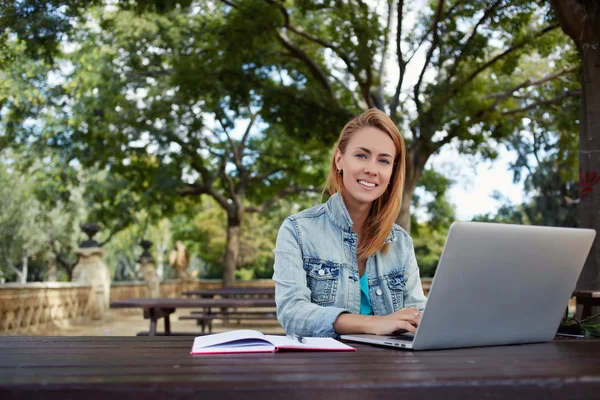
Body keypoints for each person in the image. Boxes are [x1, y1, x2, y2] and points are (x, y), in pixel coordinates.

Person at [272, 109, 427, 338]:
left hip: (392, 370)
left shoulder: (401, 242)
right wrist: (371, 323)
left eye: (383, 160)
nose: (371, 169)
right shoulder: (298, 230)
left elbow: (417, 311)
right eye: (362, 155)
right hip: (324, 369)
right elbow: (292, 313)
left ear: (392, 172)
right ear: (339, 160)